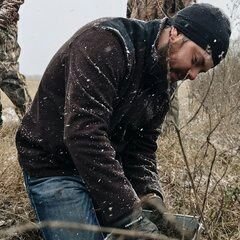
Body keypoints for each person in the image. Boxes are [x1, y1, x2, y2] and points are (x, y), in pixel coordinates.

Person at [16, 3, 231, 240]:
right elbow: (83, 134)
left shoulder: (164, 77)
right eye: (195, 60)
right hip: (54, 164)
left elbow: (141, 147)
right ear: (175, 33)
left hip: (106, 164)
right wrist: (129, 216)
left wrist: (149, 197)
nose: (192, 75)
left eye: (201, 71)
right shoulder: (106, 43)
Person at [127, 0, 196, 131]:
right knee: (136, 87)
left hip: (167, 42)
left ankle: (168, 131)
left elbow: (190, 12)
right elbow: (130, 10)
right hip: (142, 40)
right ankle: (135, 130)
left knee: (167, 90)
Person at [0, 0, 31, 128]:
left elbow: (12, 2)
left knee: (8, 75)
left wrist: (2, 17)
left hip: (3, 28)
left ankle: (34, 124)